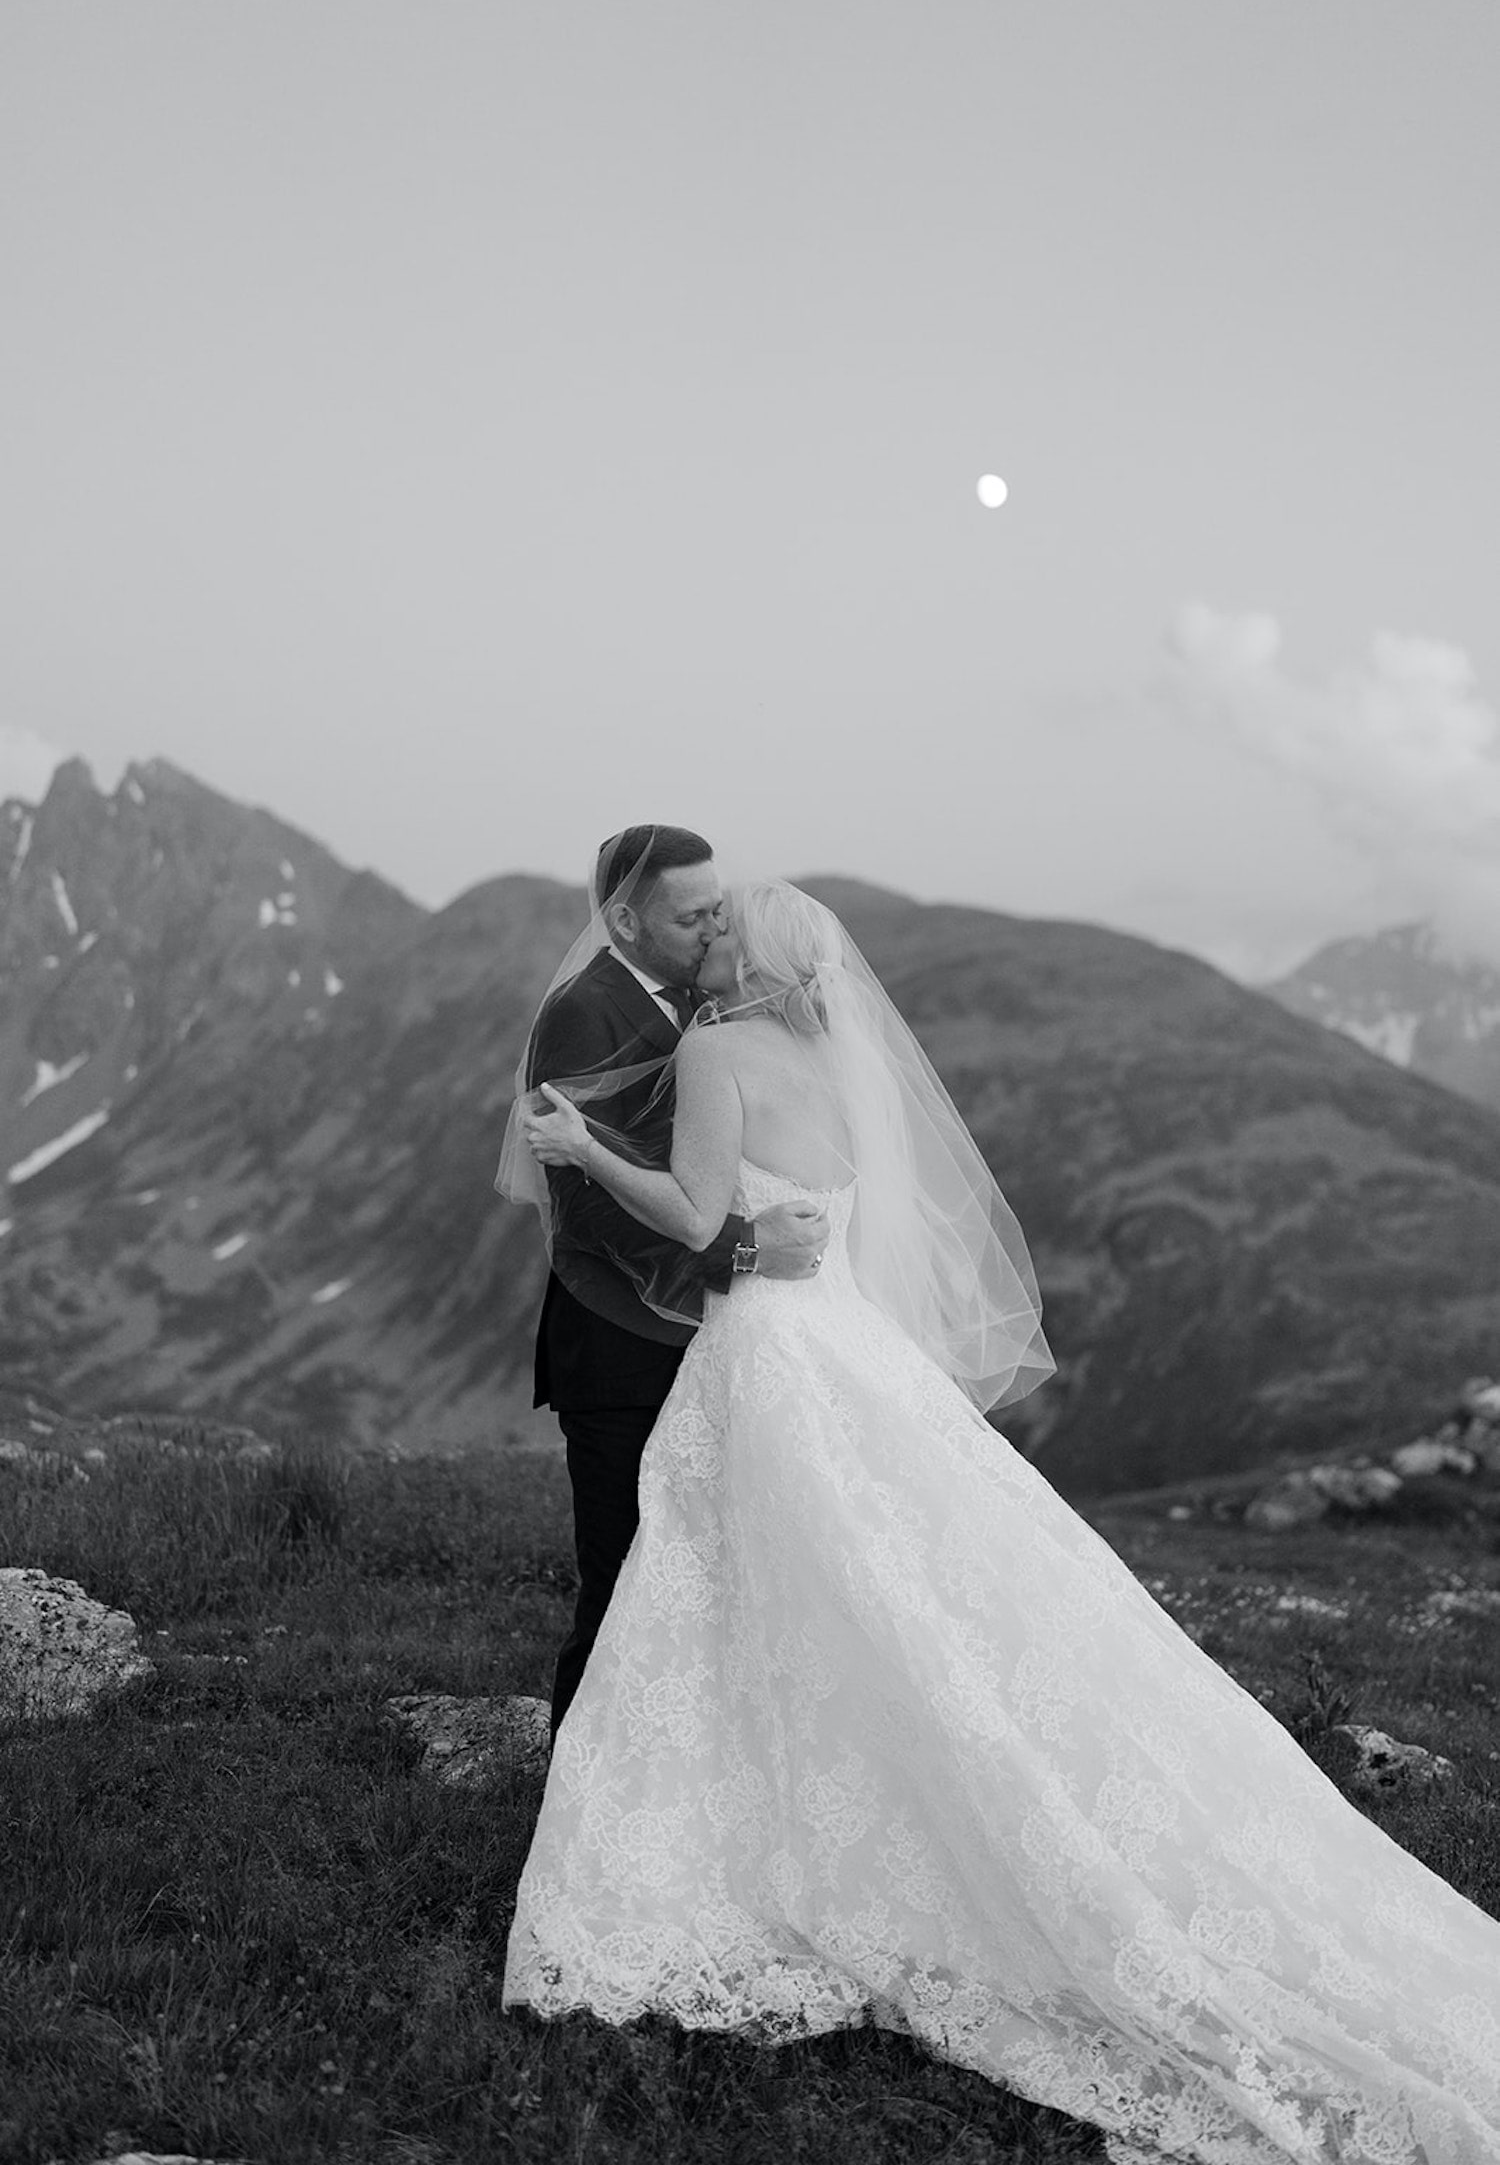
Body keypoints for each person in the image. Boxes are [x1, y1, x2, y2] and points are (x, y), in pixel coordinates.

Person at [501, 878, 1500, 2165]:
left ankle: (789, 1835)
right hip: (856, 1347)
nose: (708, 939)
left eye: (720, 925)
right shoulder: (825, 1052)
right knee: (874, 1592)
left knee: (747, 1593)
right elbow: (827, 1219)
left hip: (773, 1357)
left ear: (745, 952)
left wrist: (584, 1151)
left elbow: (698, 1219)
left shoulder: (712, 1050)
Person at [496, 827, 829, 1738]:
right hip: (617, 1351)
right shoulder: (583, 1012)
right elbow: (588, 1208)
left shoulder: (712, 1006)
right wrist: (746, 1249)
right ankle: (573, 1796)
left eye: (718, 909)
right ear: (624, 920)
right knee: (621, 1583)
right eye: (691, 916)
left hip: (709, 1343)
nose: (713, 927)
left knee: (699, 1585)